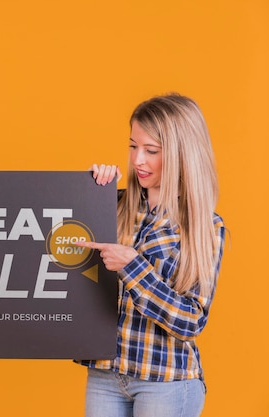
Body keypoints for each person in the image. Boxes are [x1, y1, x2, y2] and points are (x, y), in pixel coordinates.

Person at [76, 93, 226, 417]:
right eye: (133, 146)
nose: (137, 160)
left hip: (166, 381)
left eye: (151, 151)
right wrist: (86, 193)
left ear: (180, 155)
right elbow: (63, 253)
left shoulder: (204, 227)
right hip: (104, 374)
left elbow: (191, 320)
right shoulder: (112, 207)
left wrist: (133, 267)